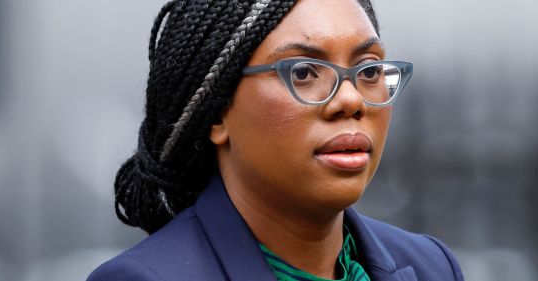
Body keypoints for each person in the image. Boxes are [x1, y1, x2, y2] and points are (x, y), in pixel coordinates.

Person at [88, 0, 464, 280]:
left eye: (369, 70)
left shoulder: (432, 266)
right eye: (303, 72)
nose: (351, 99)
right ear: (217, 111)